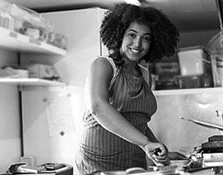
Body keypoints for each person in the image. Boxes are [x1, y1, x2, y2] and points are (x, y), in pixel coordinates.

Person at [75, 3, 184, 174]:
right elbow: (97, 107)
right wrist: (145, 143)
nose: (138, 43)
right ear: (118, 35)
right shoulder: (103, 65)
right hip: (98, 163)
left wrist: (157, 149)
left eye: (146, 38)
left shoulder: (144, 73)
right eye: (132, 35)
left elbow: (138, 121)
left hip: (133, 163)